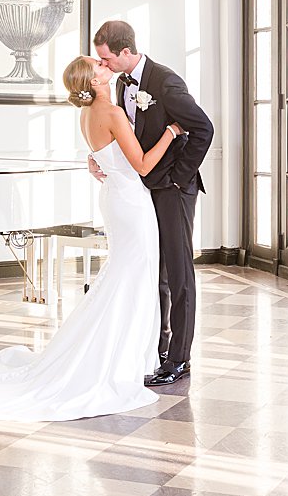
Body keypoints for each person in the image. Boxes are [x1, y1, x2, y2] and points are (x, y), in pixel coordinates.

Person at [0, 55, 184, 421]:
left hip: (116, 197)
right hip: (131, 202)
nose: (103, 64)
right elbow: (143, 165)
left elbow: (107, 154)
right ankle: (122, 357)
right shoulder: (111, 114)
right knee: (133, 275)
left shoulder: (88, 115)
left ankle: (123, 353)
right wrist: (171, 133)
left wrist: (99, 158)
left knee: (124, 274)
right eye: (97, 65)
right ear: (94, 81)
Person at [90, 20, 214, 387]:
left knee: (178, 272)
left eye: (107, 58)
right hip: (142, 188)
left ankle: (180, 359)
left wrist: (179, 177)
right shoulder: (120, 89)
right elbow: (124, 136)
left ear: (125, 52)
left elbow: (203, 129)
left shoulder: (166, 82)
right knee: (154, 270)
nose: (105, 65)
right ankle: (158, 348)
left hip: (173, 189)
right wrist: (98, 157)